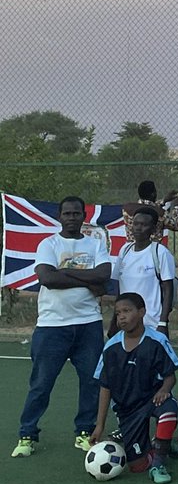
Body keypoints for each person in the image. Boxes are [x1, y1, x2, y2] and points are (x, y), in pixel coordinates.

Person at [13, 196, 111, 458]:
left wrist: (63, 272)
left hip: (88, 323)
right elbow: (47, 278)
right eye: (66, 213)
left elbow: (103, 276)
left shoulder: (95, 244)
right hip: (52, 325)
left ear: (83, 216)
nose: (71, 217)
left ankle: (84, 432)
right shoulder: (48, 244)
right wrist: (86, 280)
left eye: (76, 213)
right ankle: (27, 434)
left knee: (91, 381)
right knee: (41, 383)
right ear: (59, 216)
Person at [90, 293, 178, 484]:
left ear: (141, 312)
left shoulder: (156, 340)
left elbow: (170, 376)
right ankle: (158, 446)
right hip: (128, 409)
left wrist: (164, 389)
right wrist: (99, 426)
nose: (121, 317)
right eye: (118, 313)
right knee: (137, 466)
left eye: (127, 311)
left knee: (169, 410)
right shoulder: (111, 348)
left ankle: (158, 464)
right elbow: (105, 387)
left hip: (153, 399)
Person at [112, 205, 177, 335]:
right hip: (127, 325)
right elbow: (119, 290)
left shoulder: (160, 252)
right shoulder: (124, 251)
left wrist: (163, 323)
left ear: (153, 229)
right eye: (135, 224)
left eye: (144, 225)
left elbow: (168, 290)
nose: (138, 228)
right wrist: (115, 320)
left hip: (152, 324)